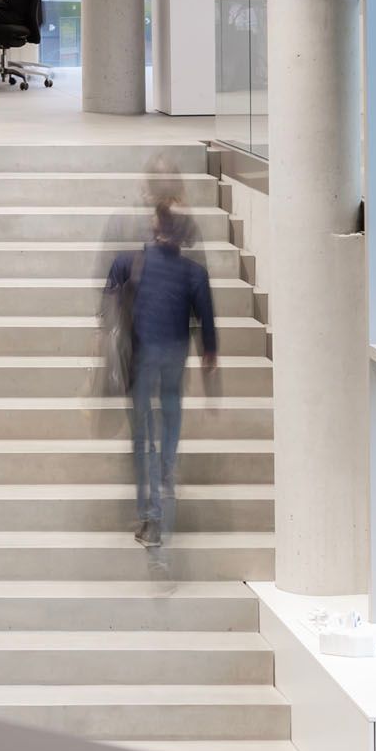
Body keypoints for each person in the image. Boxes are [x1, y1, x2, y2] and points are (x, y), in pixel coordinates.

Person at [107, 198, 218, 550]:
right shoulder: (194, 272)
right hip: (174, 354)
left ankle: (152, 518)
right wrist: (209, 352)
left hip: (142, 355)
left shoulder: (130, 261)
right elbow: (207, 320)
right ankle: (167, 466)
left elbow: (110, 294)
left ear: (156, 225)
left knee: (143, 436)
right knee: (170, 413)